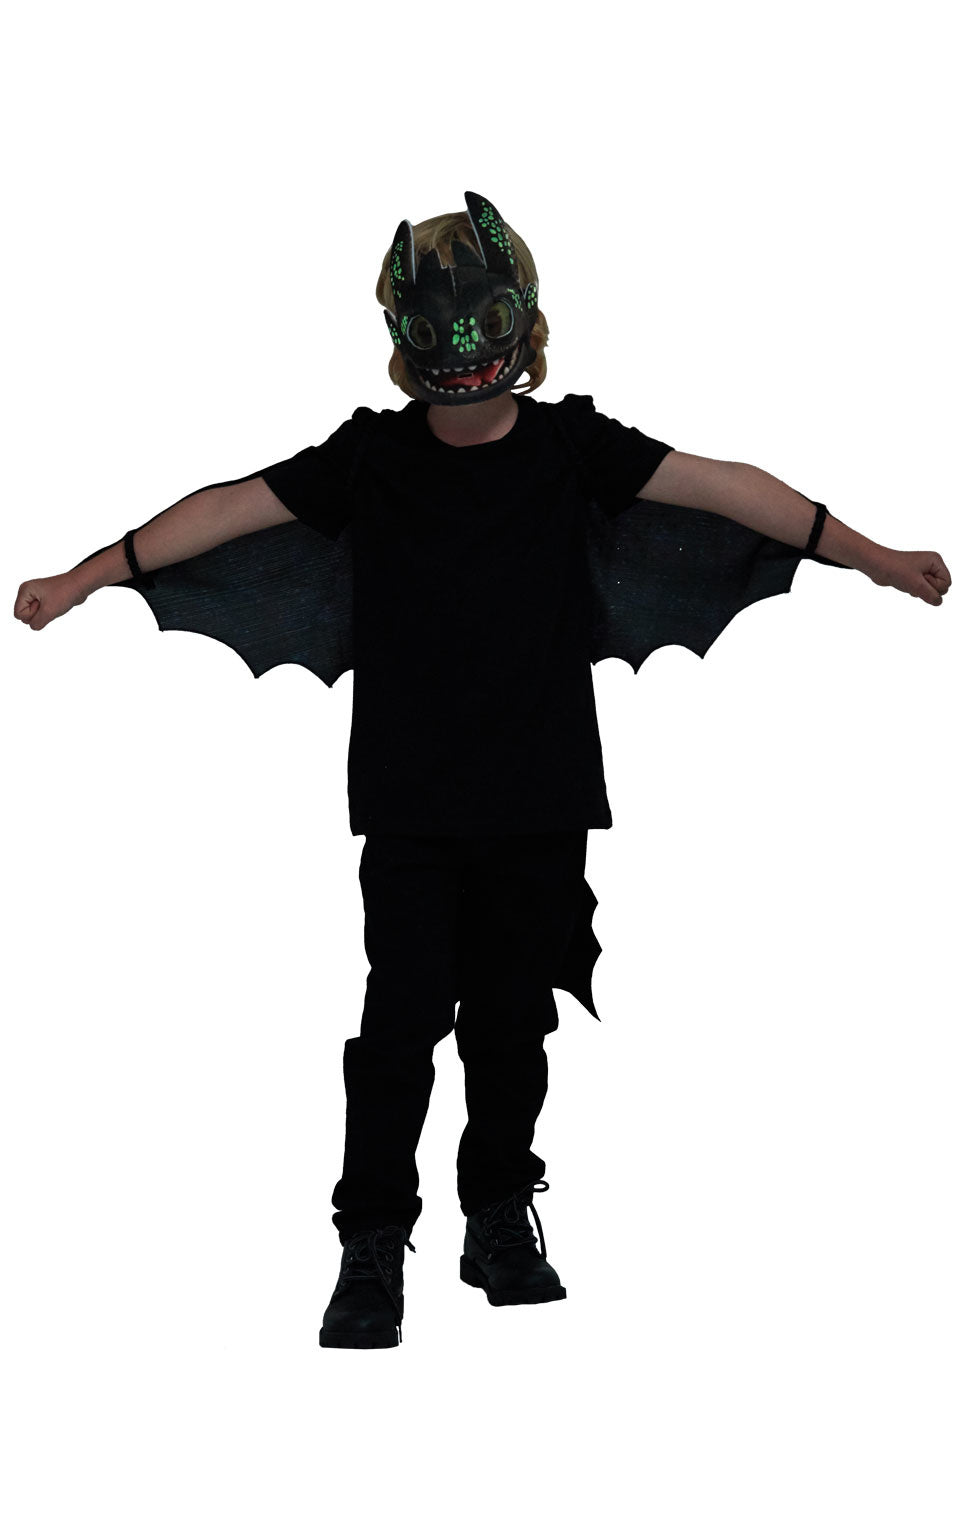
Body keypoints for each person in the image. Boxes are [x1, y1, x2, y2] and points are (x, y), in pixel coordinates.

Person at [14, 190, 952, 1351]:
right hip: (410, 800)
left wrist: (871, 556)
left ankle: (497, 1214)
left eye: (481, 329)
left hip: (541, 794)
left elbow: (725, 487)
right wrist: (85, 576)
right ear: (405, 340)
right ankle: (372, 1238)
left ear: (521, 327)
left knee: (511, 1021)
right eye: (439, 332)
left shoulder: (572, 449)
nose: (463, 358)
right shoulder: (370, 458)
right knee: (400, 1021)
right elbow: (226, 511)